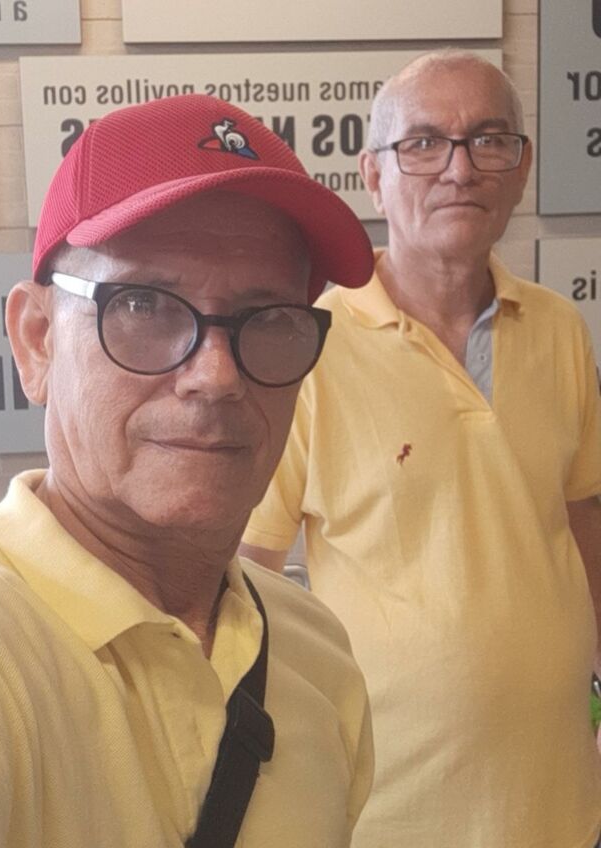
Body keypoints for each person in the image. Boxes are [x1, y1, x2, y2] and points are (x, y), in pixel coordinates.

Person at [0, 94, 376, 848]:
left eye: (268, 319)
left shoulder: (318, 655)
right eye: (144, 305)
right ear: (36, 341)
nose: (216, 376)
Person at [241, 50, 601, 848]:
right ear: (373, 175)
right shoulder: (307, 348)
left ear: (521, 168)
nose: (460, 169)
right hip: (387, 810)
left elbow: (580, 522)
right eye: (425, 143)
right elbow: (247, 571)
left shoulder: (561, 331)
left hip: (558, 798)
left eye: (489, 140)